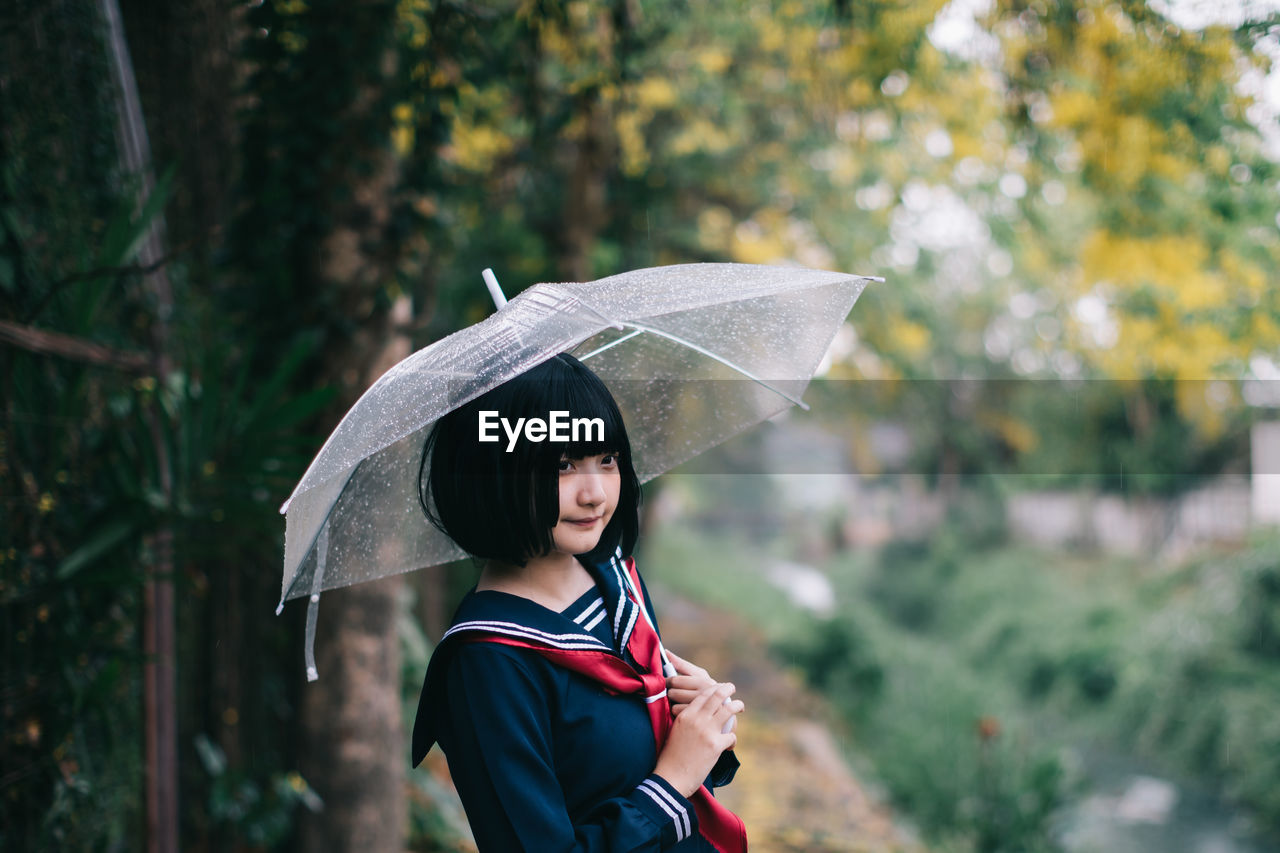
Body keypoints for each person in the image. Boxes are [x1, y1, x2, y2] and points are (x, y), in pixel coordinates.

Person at [410, 353, 748, 852]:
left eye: (607, 460)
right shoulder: (488, 663)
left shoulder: (614, 578)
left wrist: (697, 722)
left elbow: (633, 759)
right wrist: (670, 782)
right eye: (563, 465)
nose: (594, 494)